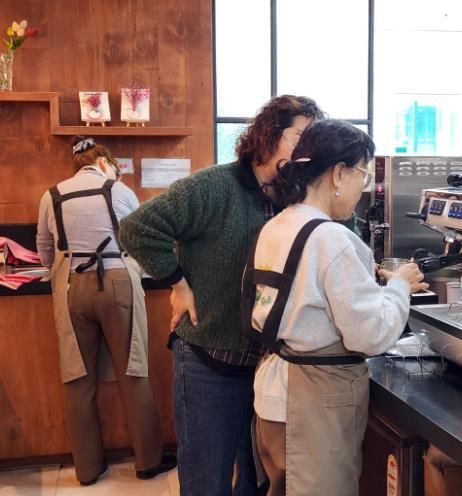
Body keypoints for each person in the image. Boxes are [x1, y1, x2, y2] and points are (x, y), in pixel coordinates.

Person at [118, 95, 325, 496]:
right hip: (208, 360)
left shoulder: (297, 195)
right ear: (269, 135)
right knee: (206, 480)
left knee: (258, 479)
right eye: (300, 137)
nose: (307, 149)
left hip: (270, 366)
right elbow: (137, 228)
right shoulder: (215, 186)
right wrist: (178, 283)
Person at [242, 119, 428, 496]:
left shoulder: (277, 226)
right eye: (362, 174)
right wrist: (399, 287)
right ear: (338, 174)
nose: (364, 188)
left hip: (274, 393)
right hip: (314, 401)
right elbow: (370, 335)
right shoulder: (333, 238)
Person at [36, 136, 176, 486]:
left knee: (77, 377)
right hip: (117, 283)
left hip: (71, 287)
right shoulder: (118, 191)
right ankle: (147, 461)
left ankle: (87, 469)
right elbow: (140, 237)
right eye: (116, 168)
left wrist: (60, 268)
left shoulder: (51, 195)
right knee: (133, 369)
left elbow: (44, 248)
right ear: (103, 163)